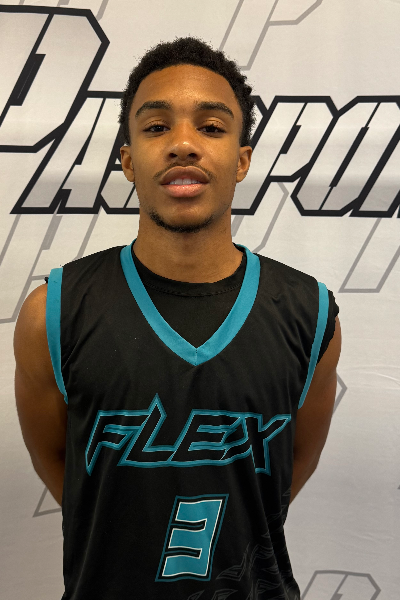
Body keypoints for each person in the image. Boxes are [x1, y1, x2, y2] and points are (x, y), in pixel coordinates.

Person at [14, 37, 341, 600]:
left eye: (211, 127)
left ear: (242, 160)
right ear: (128, 161)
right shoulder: (53, 312)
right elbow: (59, 465)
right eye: (156, 127)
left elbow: (294, 464)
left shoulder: (309, 314)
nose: (183, 144)